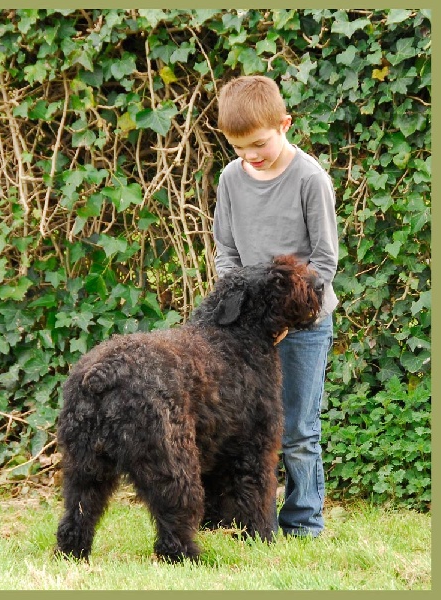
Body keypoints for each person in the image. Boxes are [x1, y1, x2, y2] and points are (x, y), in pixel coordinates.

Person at [213, 75, 338, 538]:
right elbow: (226, 252)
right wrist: (244, 313)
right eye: (238, 147)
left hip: (303, 325)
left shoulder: (309, 178)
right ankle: (250, 520)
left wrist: (288, 317)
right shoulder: (231, 178)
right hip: (247, 326)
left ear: (284, 124)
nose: (250, 155)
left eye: (259, 143)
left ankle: (303, 522)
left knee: (298, 429)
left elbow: (324, 261)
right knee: (246, 425)